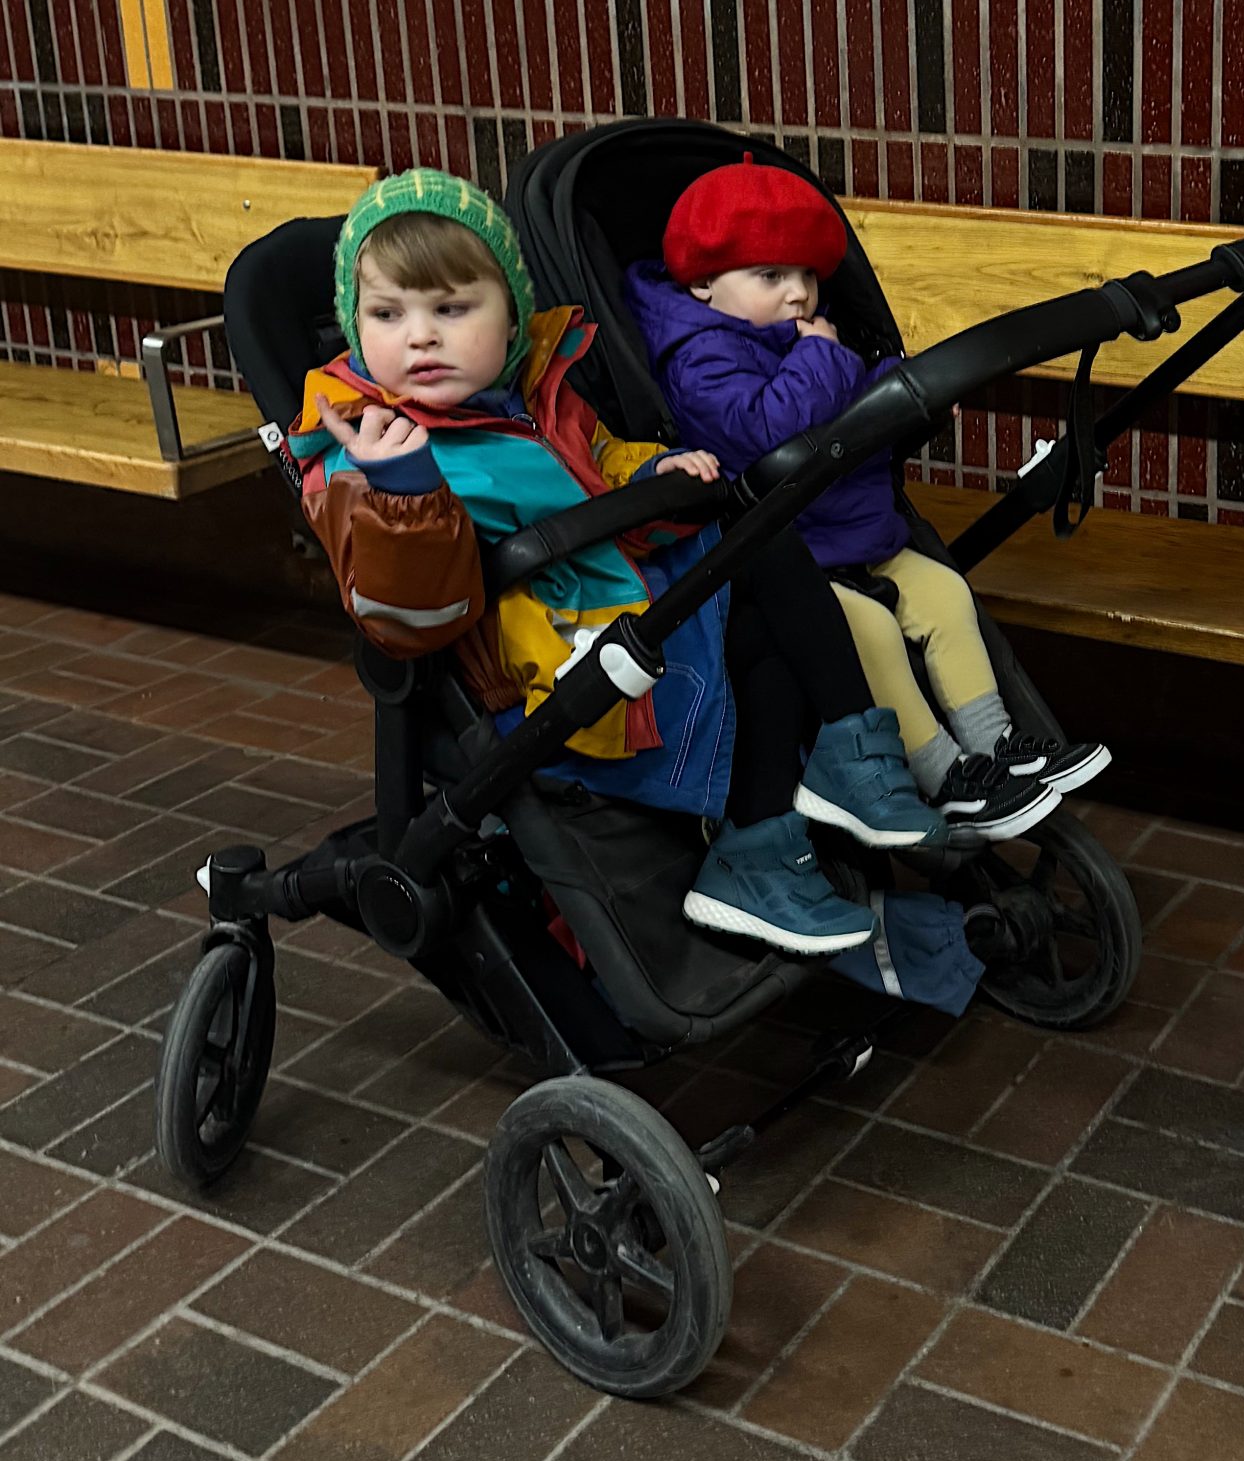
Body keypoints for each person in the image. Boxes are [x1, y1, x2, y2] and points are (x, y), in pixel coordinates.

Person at [290, 169, 948, 958]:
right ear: (355, 325)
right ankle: (821, 780)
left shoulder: (528, 391)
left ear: (512, 314)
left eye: (451, 309)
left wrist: (651, 472)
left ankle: (776, 831)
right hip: (554, 681)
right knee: (757, 602)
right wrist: (403, 494)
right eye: (387, 314)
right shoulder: (367, 457)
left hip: (620, 616)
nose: (420, 336)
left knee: (762, 581)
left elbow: (594, 459)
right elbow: (409, 616)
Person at [627, 155, 1111, 842]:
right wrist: (822, 358)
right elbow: (766, 431)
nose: (797, 294)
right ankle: (943, 775)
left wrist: (904, 388)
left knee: (944, 593)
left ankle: (995, 742)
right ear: (704, 283)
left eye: (806, 276)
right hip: (787, 562)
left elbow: (852, 399)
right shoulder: (700, 358)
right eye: (770, 276)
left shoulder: (804, 336)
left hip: (854, 531)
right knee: (875, 633)